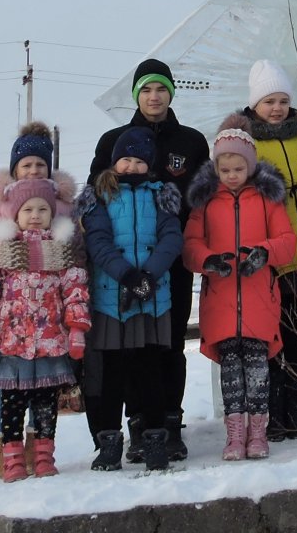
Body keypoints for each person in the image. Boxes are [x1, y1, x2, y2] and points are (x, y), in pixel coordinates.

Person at [90, 58, 209, 462]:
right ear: (136, 94)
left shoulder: (191, 142)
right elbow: (96, 202)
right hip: (120, 270)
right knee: (127, 349)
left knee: (169, 344)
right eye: (146, 90)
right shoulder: (112, 141)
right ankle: (138, 425)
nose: (154, 96)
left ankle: (169, 426)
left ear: (171, 93)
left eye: (161, 89)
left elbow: (202, 201)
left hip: (167, 265)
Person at [184, 117, 297, 461]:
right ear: (215, 167)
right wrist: (207, 260)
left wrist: (264, 252)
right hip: (220, 298)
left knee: (257, 366)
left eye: (238, 168)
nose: (232, 175)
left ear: (249, 167)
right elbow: (190, 244)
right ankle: (234, 433)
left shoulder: (267, 200)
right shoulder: (205, 202)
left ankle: (257, 433)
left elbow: (287, 241)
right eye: (225, 168)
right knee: (230, 368)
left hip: (258, 295)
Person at [0, 122, 79, 477]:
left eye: (40, 165)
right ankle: (8, 454)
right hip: (11, 323)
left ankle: (41, 453)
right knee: (10, 390)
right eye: (27, 165)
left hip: (48, 323)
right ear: (15, 168)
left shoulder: (62, 207)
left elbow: (73, 266)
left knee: (44, 391)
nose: (34, 170)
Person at [76, 127, 184, 473]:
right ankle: (109, 442)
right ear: (114, 161)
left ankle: (155, 440)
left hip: (152, 300)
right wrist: (127, 276)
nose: (133, 166)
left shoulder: (162, 196)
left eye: (140, 160)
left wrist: (148, 277)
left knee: (150, 373)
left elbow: (171, 239)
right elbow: (99, 242)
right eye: (127, 159)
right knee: (112, 376)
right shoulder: (98, 196)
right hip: (112, 299)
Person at [239, 58, 297, 441]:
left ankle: (296, 411)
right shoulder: (244, 141)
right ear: (254, 105)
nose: (276, 108)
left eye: (282, 100)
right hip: (266, 255)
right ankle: (272, 412)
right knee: (269, 336)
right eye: (268, 101)